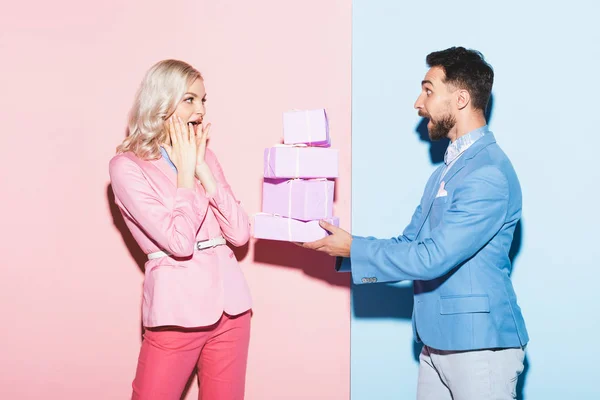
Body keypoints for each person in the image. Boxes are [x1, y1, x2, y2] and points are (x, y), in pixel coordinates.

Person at [303, 47, 529, 400]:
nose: (417, 103)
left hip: (479, 348)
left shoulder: (487, 174)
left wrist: (354, 248)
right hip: (436, 342)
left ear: (461, 98)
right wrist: (343, 248)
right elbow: (411, 243)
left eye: (428, 90)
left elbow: (432, 258)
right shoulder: (448, 171)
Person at [109, 59, 252, 400]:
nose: (200, 109)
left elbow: (240, 233)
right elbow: (179, 242)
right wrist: (186, 175)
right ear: (161, 102)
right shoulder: (127, 167)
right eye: (189, 99)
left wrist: (203, 168)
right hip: (177, 311)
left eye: (203, 100)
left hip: (232, 310)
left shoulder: (208, 157)